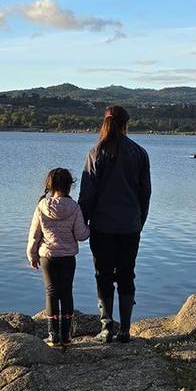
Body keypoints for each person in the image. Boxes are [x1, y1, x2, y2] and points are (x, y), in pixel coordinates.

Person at [78, 105, 151, 343]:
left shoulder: (95, 153)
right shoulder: (139, 153)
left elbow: (87, 195)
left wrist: (82, 224)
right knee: (127, 274)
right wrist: (140, 221)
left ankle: (106, 327)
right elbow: (145, 193)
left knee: (103, 274)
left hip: (102, 226)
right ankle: (126, 330)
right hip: (130, 225)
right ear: (126, 124)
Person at [26, 167, 89, 349]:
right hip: (68, 256)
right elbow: (81, 235)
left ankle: (53, 337)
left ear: (49, 185)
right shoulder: (75, 207)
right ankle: (67, 336)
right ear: (70, 185)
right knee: (67, 292)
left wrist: (32, 255)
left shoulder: (41, 206)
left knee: (51, 293)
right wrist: (90, 227)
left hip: (47, 256)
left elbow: (34, 235)